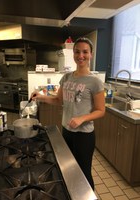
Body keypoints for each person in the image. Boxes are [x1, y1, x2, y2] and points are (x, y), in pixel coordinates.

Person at [31, 37, 105, 190]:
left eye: (85, 52)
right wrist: (41, 96)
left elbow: (100, 111)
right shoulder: (66, 77)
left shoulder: (95, 82)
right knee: (69, 170)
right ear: (73, 54)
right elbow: (58, 100)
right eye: (77, 52)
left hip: (84, 135)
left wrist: (82, 118)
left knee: (84, 172)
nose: (81, 56)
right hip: (67, 131)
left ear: (91, 54)